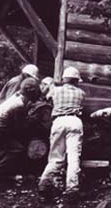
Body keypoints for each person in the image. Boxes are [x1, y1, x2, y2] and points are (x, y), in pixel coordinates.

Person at [38, 67, 85, 200]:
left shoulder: (55, 90)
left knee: (56, 157)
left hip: (58, 121)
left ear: (64, 79)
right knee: (73, 158)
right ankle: (72, 190)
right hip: (74, 121)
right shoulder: (81, 93)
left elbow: (46, 97)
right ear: (76, 80)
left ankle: (44, 186)